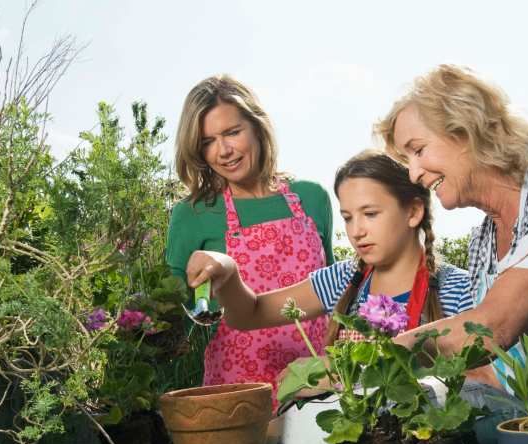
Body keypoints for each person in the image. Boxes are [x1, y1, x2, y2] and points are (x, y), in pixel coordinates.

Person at [376, 64, 528, 412]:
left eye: (419, 150)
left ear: (467, 131)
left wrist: (396, 347)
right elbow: (498, 369)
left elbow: (494, 326)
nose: (413, 173)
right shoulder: (482, 241)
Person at [185, 150, 473, 364]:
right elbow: (250, 314)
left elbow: (482, 383)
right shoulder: (343, 279)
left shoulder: (458, 290)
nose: (357, 231)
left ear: (413, 212)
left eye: (370, 214)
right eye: (348, 217)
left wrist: (333, 371)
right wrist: (228, 271)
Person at [166, 75, 334, 398]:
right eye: (207, 142)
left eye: (232, 132)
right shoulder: (193, 214)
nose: (223, 151)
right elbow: (174, 318)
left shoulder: (312, 198)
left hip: (313, 387)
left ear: (257, 126)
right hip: (238, 393)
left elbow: (338, 297)